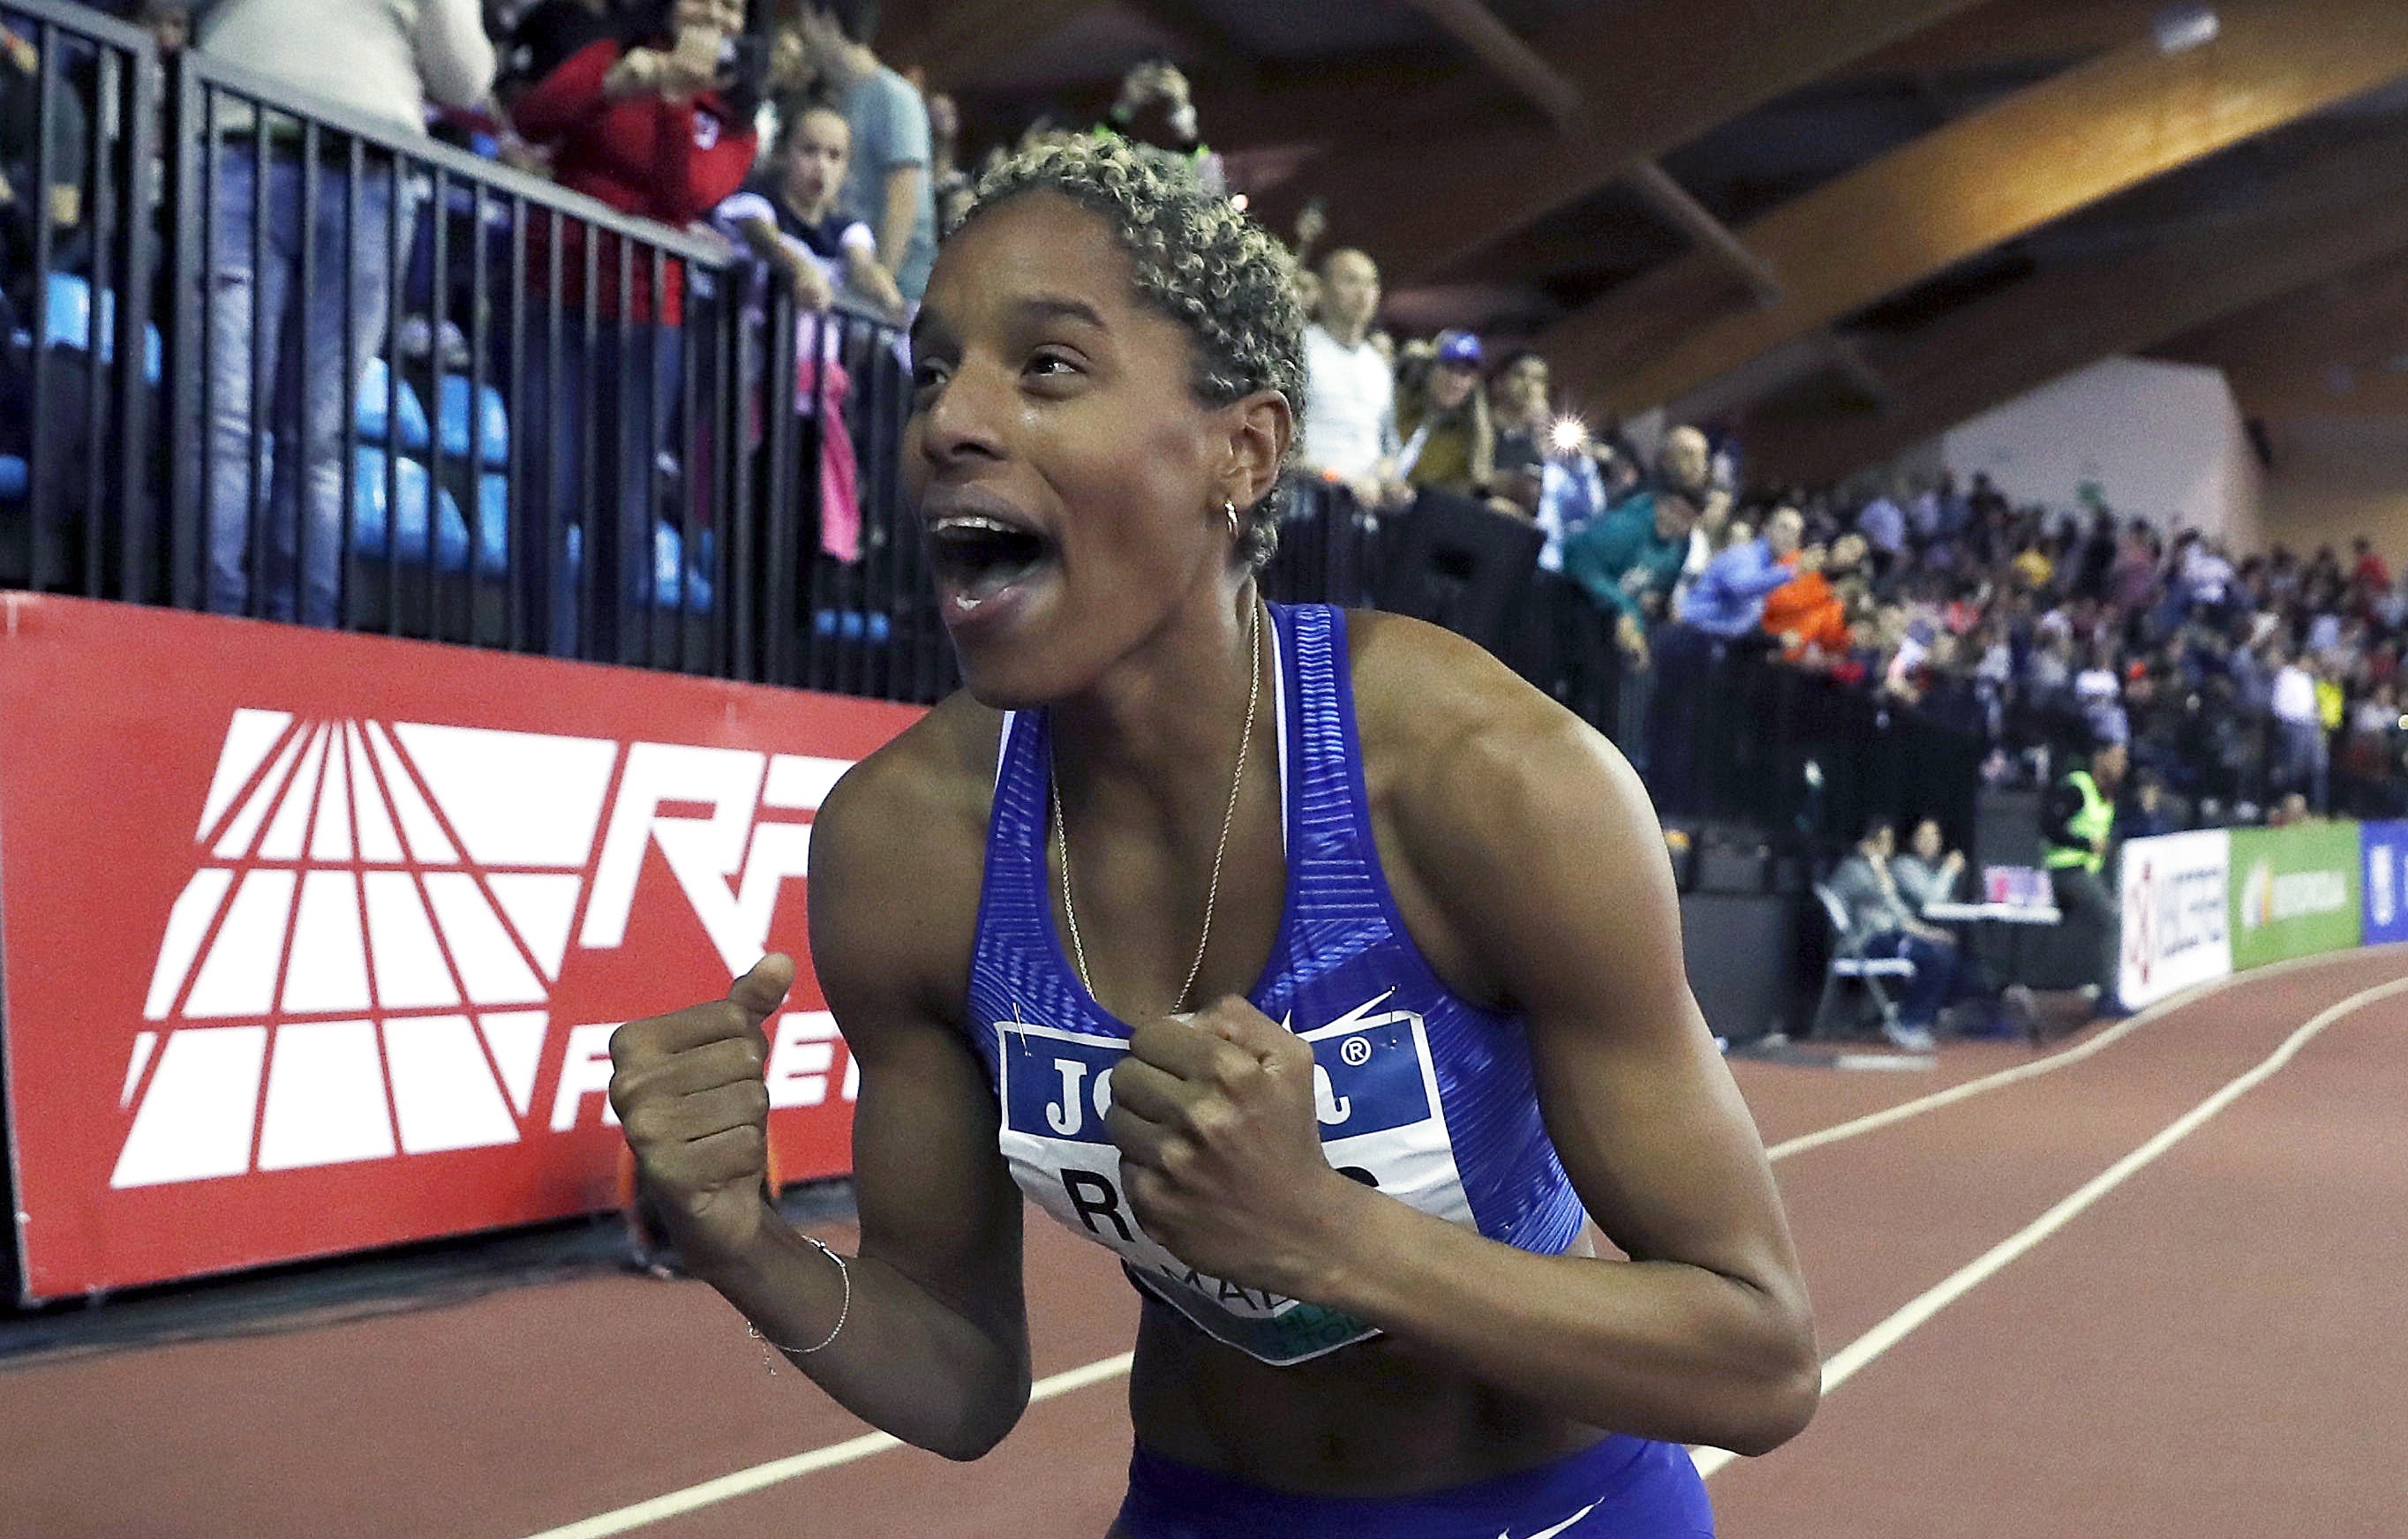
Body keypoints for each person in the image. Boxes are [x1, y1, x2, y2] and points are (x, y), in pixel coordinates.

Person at [608, 137, 1816, 1537]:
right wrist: (748, 1244)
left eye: (1047, 367)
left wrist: (1331, 1235)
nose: (949, 421)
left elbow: (1761, 1355)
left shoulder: (1486, 784)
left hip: (1554, 1510)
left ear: (1241, 451)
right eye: (934, 370)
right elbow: (960, 1378)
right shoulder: (904, 852)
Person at [195, 0, 494, 624]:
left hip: (361, 171)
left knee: (310, 434)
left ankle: (299, 645)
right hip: (246, 145)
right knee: (233, 420)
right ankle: (208, 633)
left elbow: (465, 78)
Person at [509, 0, 759, 656]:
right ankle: (540, 664)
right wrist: (618, 85)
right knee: (543, 487)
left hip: (652, 325)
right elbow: (532, 119)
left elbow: (682, 201)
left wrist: (675, 101)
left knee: (621, 509)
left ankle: (605, 674)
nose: (715, 14)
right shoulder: (615, 56)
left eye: (732, 6)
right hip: (554, 301)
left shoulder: (734, 117)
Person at [797, 0, 937, 305]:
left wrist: (879, 288)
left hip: (899, 297)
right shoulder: (841, 99)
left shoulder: (896, 97)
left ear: (827, 22)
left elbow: (902, 200)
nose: (802, 34)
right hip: (855, 287)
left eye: (805, 20)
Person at [716, 103, 907, 320]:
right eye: (809, 150)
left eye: (834, 156)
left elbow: (861, 264)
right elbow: (764, 239)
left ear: (846, 168)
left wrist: (887, 294)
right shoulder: (756, 200)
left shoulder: (848, 229)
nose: (821, 166)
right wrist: (801, 269)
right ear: (783, 152)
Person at [1824, 819, 1969, 1052]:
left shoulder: (1884, 872)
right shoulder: (1854, 870)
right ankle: (1906, 1023)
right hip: (1866, 942)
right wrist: (1877, 866)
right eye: (1879, 842)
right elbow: (1881, 896)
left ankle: (1917, 1018)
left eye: (1888, 842)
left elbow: (1901, 916)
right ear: (1866, 844)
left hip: (1892, 935)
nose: (1885, 848)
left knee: (1944, 953)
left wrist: (1930, 933)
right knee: (1934, 958)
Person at [2038, 738, 2126, 1012]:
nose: (2122, 766)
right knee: (2112, 918)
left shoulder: (2109, 793)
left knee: (2105, 919)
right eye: (2117, 758)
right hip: (2066, 871)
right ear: (2100, 759)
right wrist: (2086, 844)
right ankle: (2108, 995)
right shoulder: (2077, 788)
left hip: (2088, 870)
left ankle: (2099, 983)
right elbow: (2049, 826)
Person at [1395, 328, 1493, 498]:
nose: (1454, 381)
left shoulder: (1470, 440)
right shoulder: (1398, 408)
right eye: (1449, 368)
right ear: (1429, 369)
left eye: (1464, 373)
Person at [1892, 817, 1967, 912]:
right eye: (1923, 835)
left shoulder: (1938, 863)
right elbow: (1932, 900)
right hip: (1913, 924)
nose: (1929, 840)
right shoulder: (1903, 865)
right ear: (1912, 838)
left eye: (1934, 835)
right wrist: (1949, 870)